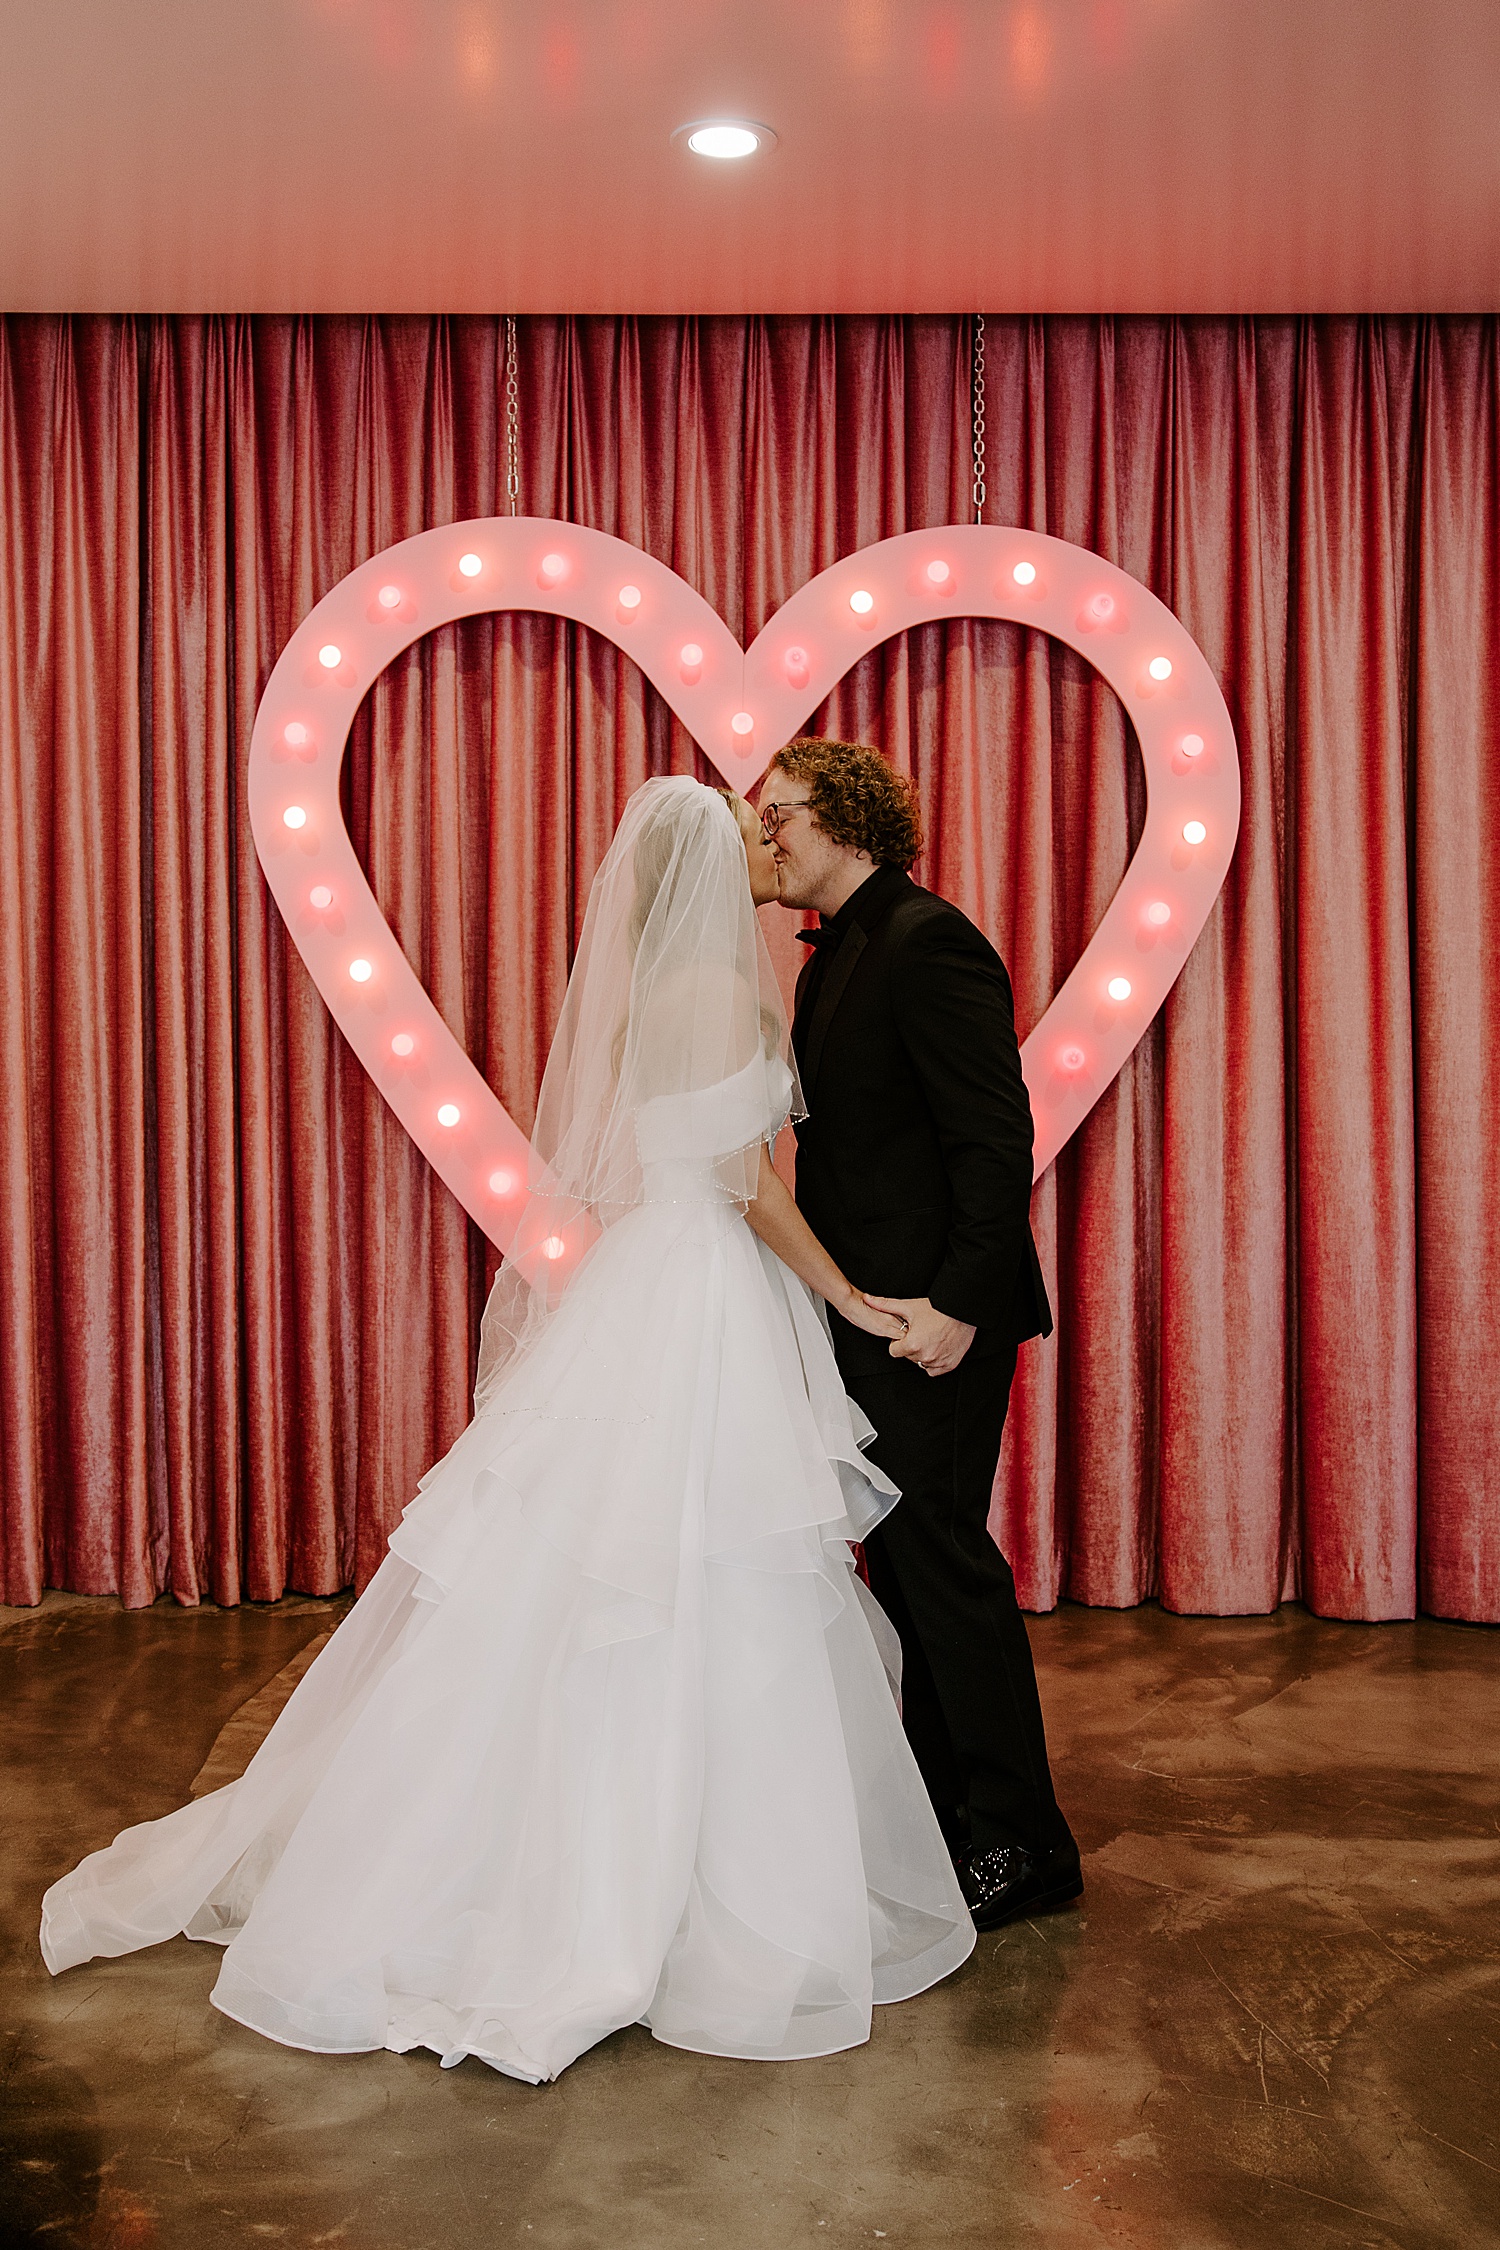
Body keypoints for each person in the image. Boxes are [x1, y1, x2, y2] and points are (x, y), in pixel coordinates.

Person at [40, 776, 974, 2084]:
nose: (765, 849)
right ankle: (669, 1882)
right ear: (707, 878)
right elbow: (746, 1182)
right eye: (747, 839)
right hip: (704, 1291)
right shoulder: (720, 993)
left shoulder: (659, 992)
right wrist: (847, 1297)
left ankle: (538, 1840)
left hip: (651, 1282)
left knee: (609, 1567)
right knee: (701, 1571)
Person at [759, 737, 1081, 1930]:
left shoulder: (927, 940)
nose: (767, 837)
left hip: (933, 1319)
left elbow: (994, 1144)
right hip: (870, 1314)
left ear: (842, 818)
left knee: (943, 1562)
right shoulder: (835, 952)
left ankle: (1023, 1845)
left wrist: (957, 1306)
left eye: (780, 815)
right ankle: (952, 1820)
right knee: (903, 1561)